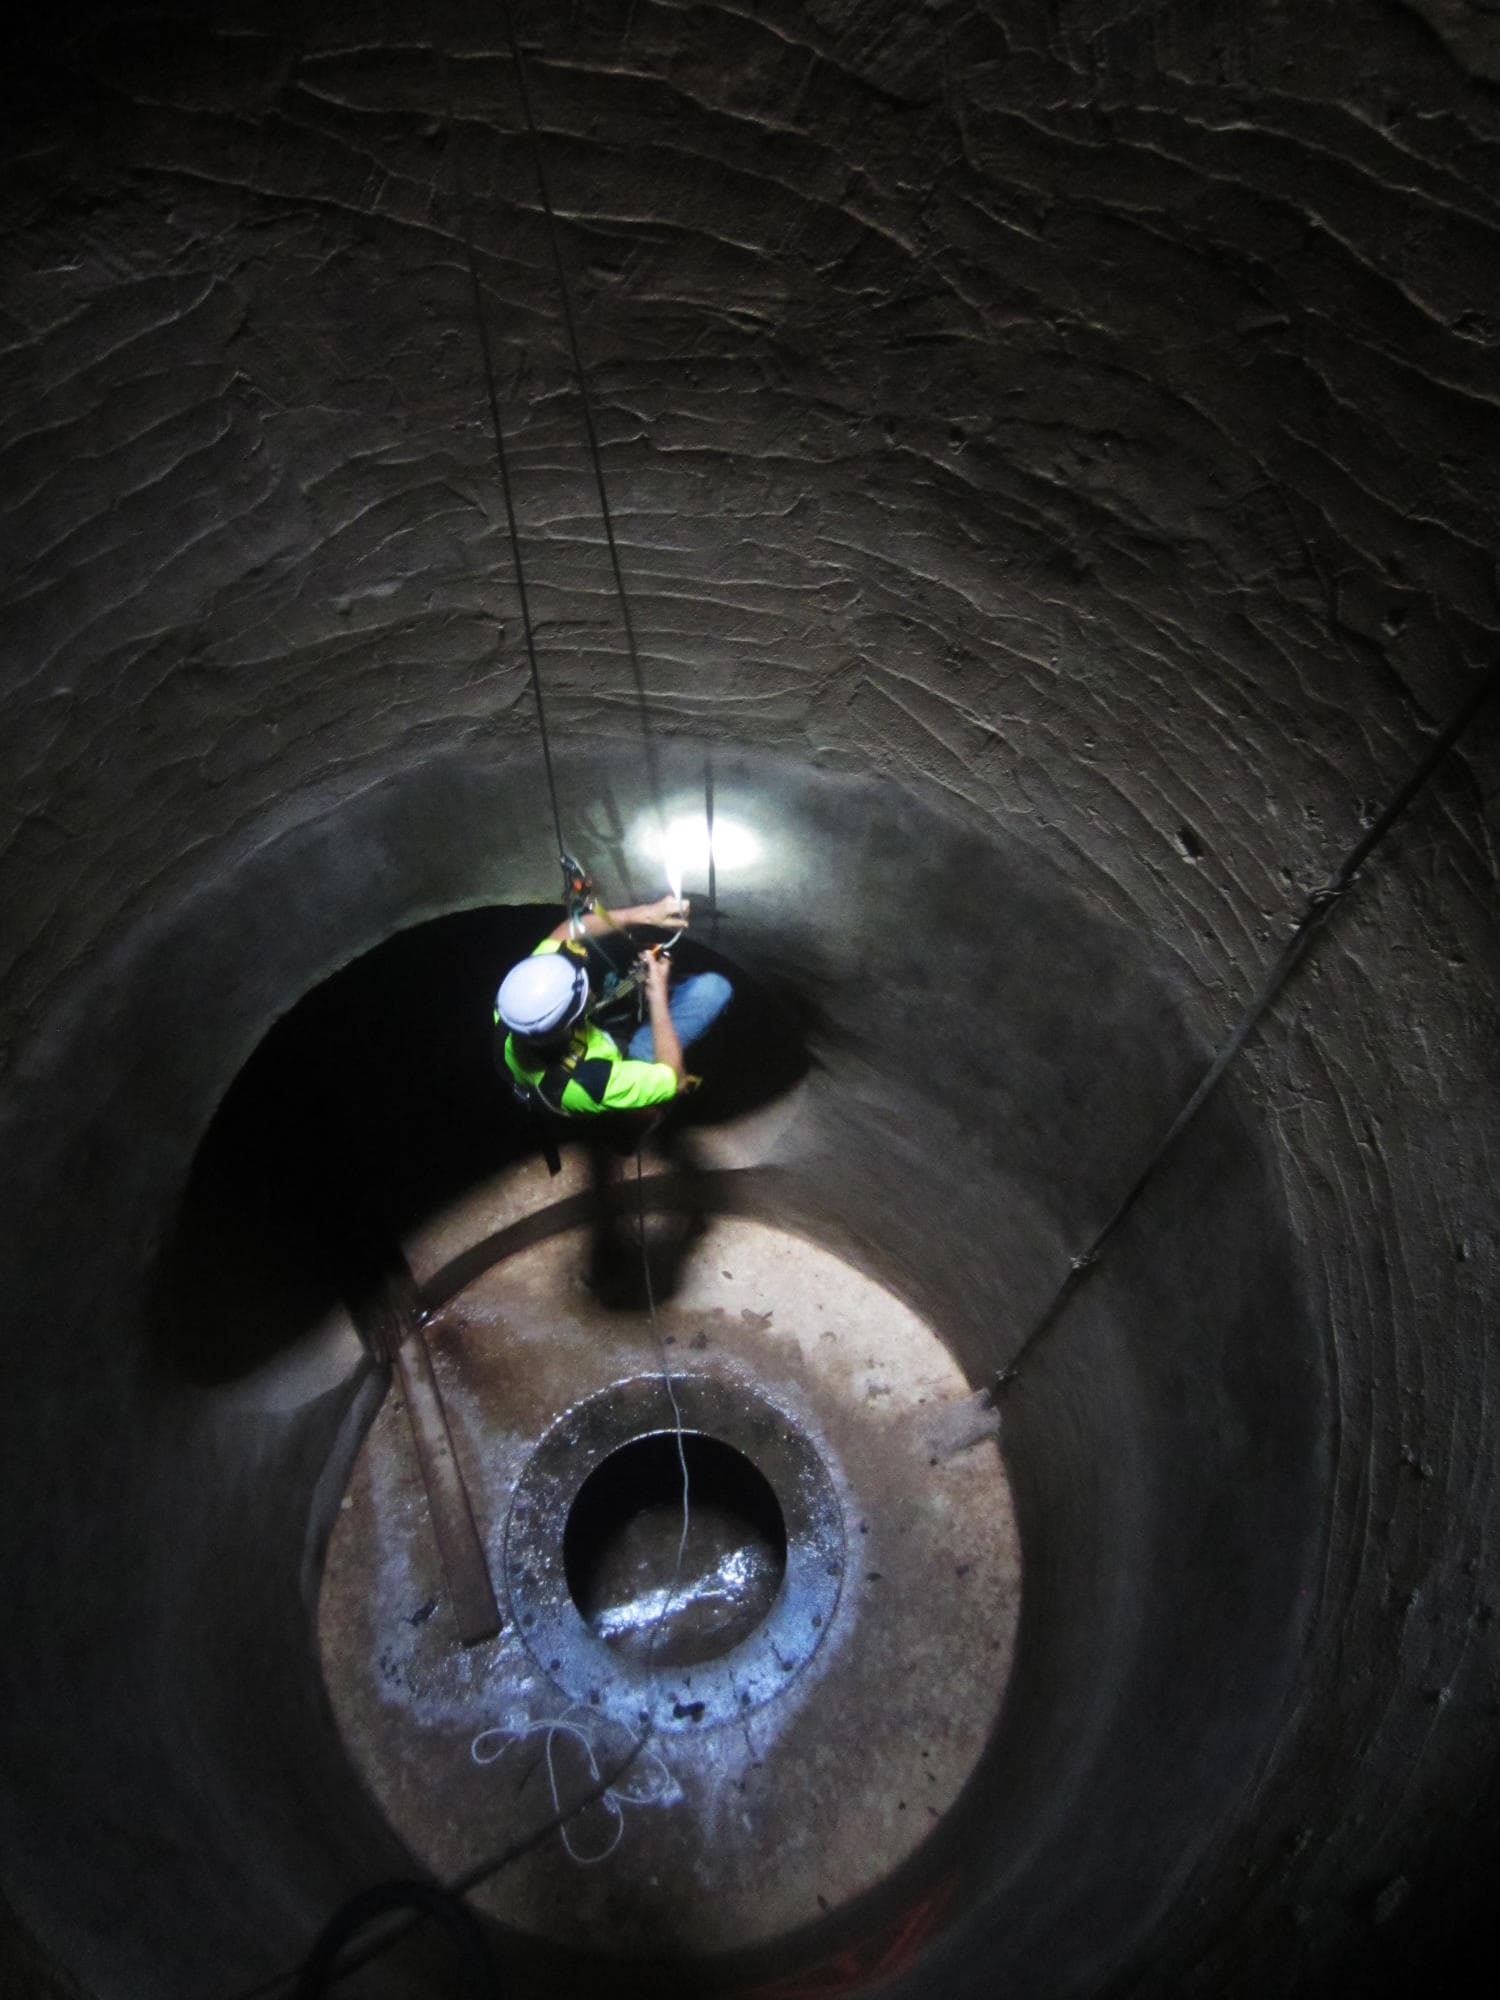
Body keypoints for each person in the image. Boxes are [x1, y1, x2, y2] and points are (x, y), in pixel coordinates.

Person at [495, 891, 732, 1120]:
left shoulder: (515, 1005)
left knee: (614, 980)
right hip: (621, 1058)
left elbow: (566, 931)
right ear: (569, 1019)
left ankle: (629, 1007)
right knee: (715, 989)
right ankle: (638, 1126)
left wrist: (646, 914)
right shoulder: (592, 1084)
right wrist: (657, 995)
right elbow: (675, 1080)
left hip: (592, 1029)